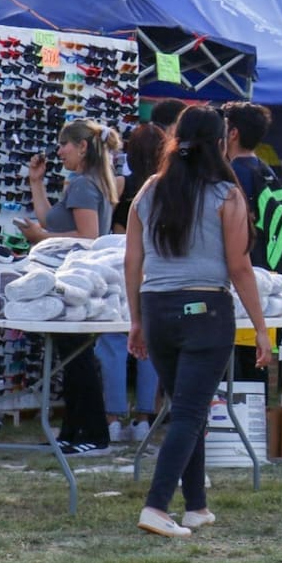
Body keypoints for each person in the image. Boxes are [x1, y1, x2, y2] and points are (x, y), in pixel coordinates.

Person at [125, 106, 273, 538]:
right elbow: (240, 267)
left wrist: (136, 319)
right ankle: (156, 506)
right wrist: (261, 328)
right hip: (206, 309)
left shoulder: (149, 190)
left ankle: (196, 506)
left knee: (185, 408)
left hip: (156, 307)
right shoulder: (226, 194)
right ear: (222, 142)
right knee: (190, 412)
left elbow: (132, 260)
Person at [18, 119, 122, 456]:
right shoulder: (89, 183)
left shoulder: (82, 186)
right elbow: (50, 221)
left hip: (72, 282)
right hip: (77, 282)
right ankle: (73, 432)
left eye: (64, 144)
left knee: (77, 360)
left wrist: (41, 239)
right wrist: (36, 182)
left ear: (82, 147)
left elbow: (88, 237)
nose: (59, 150)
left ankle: (93, 434)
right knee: (74, 358)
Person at [101, 122, 167, 443]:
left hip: (118, 267)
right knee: (149, 345)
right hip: (154, 268)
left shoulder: (122, 184)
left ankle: (112, 418)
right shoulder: (166, 188)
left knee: (113, 341)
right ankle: (144, 417)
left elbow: (108, 226)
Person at [220, 101, 277, 383]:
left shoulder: (233, 174)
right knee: (256, 358)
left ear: (233, 133)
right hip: (264, 270)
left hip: (241, 271)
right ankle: (256, 406)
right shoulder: (266, 170)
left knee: (237, 359)